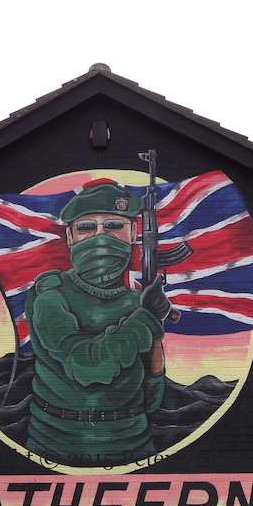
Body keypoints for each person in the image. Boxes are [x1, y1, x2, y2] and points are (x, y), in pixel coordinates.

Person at [24, 179, 172, 466]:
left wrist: (150, 321)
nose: (100, 237)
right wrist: (147, 318)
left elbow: (154, 389)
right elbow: (87, 367)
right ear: (70, 237)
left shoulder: (138, 300)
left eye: (114, 226)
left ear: (133, 233)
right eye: (86, 227)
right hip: (56, 443)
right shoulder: (50, 296)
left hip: (134, 440)